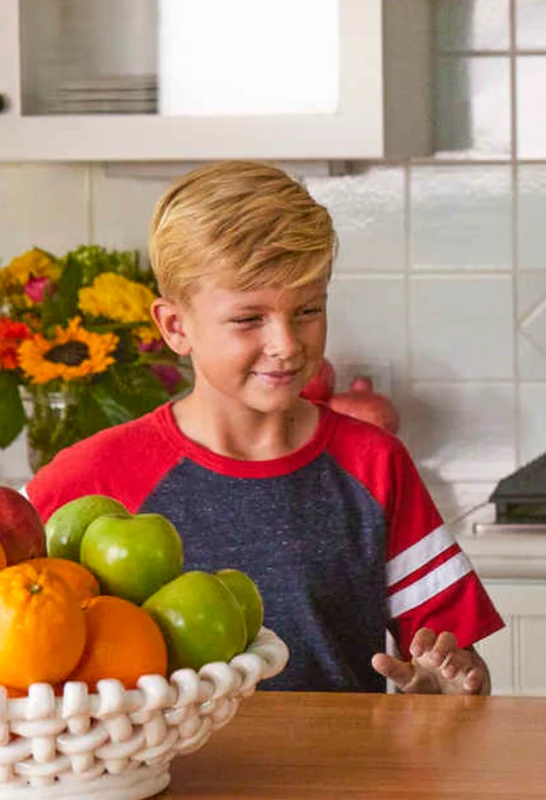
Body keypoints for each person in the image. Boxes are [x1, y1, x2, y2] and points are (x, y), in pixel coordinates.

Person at [27, 161, 505, 694]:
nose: (287, 344)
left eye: (307, 310)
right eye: (249, 319)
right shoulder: (99, 471)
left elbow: (461, 673)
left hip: (343, 775)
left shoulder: (375, 464)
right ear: (175, 326)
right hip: (162, 778)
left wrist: (442, 688)